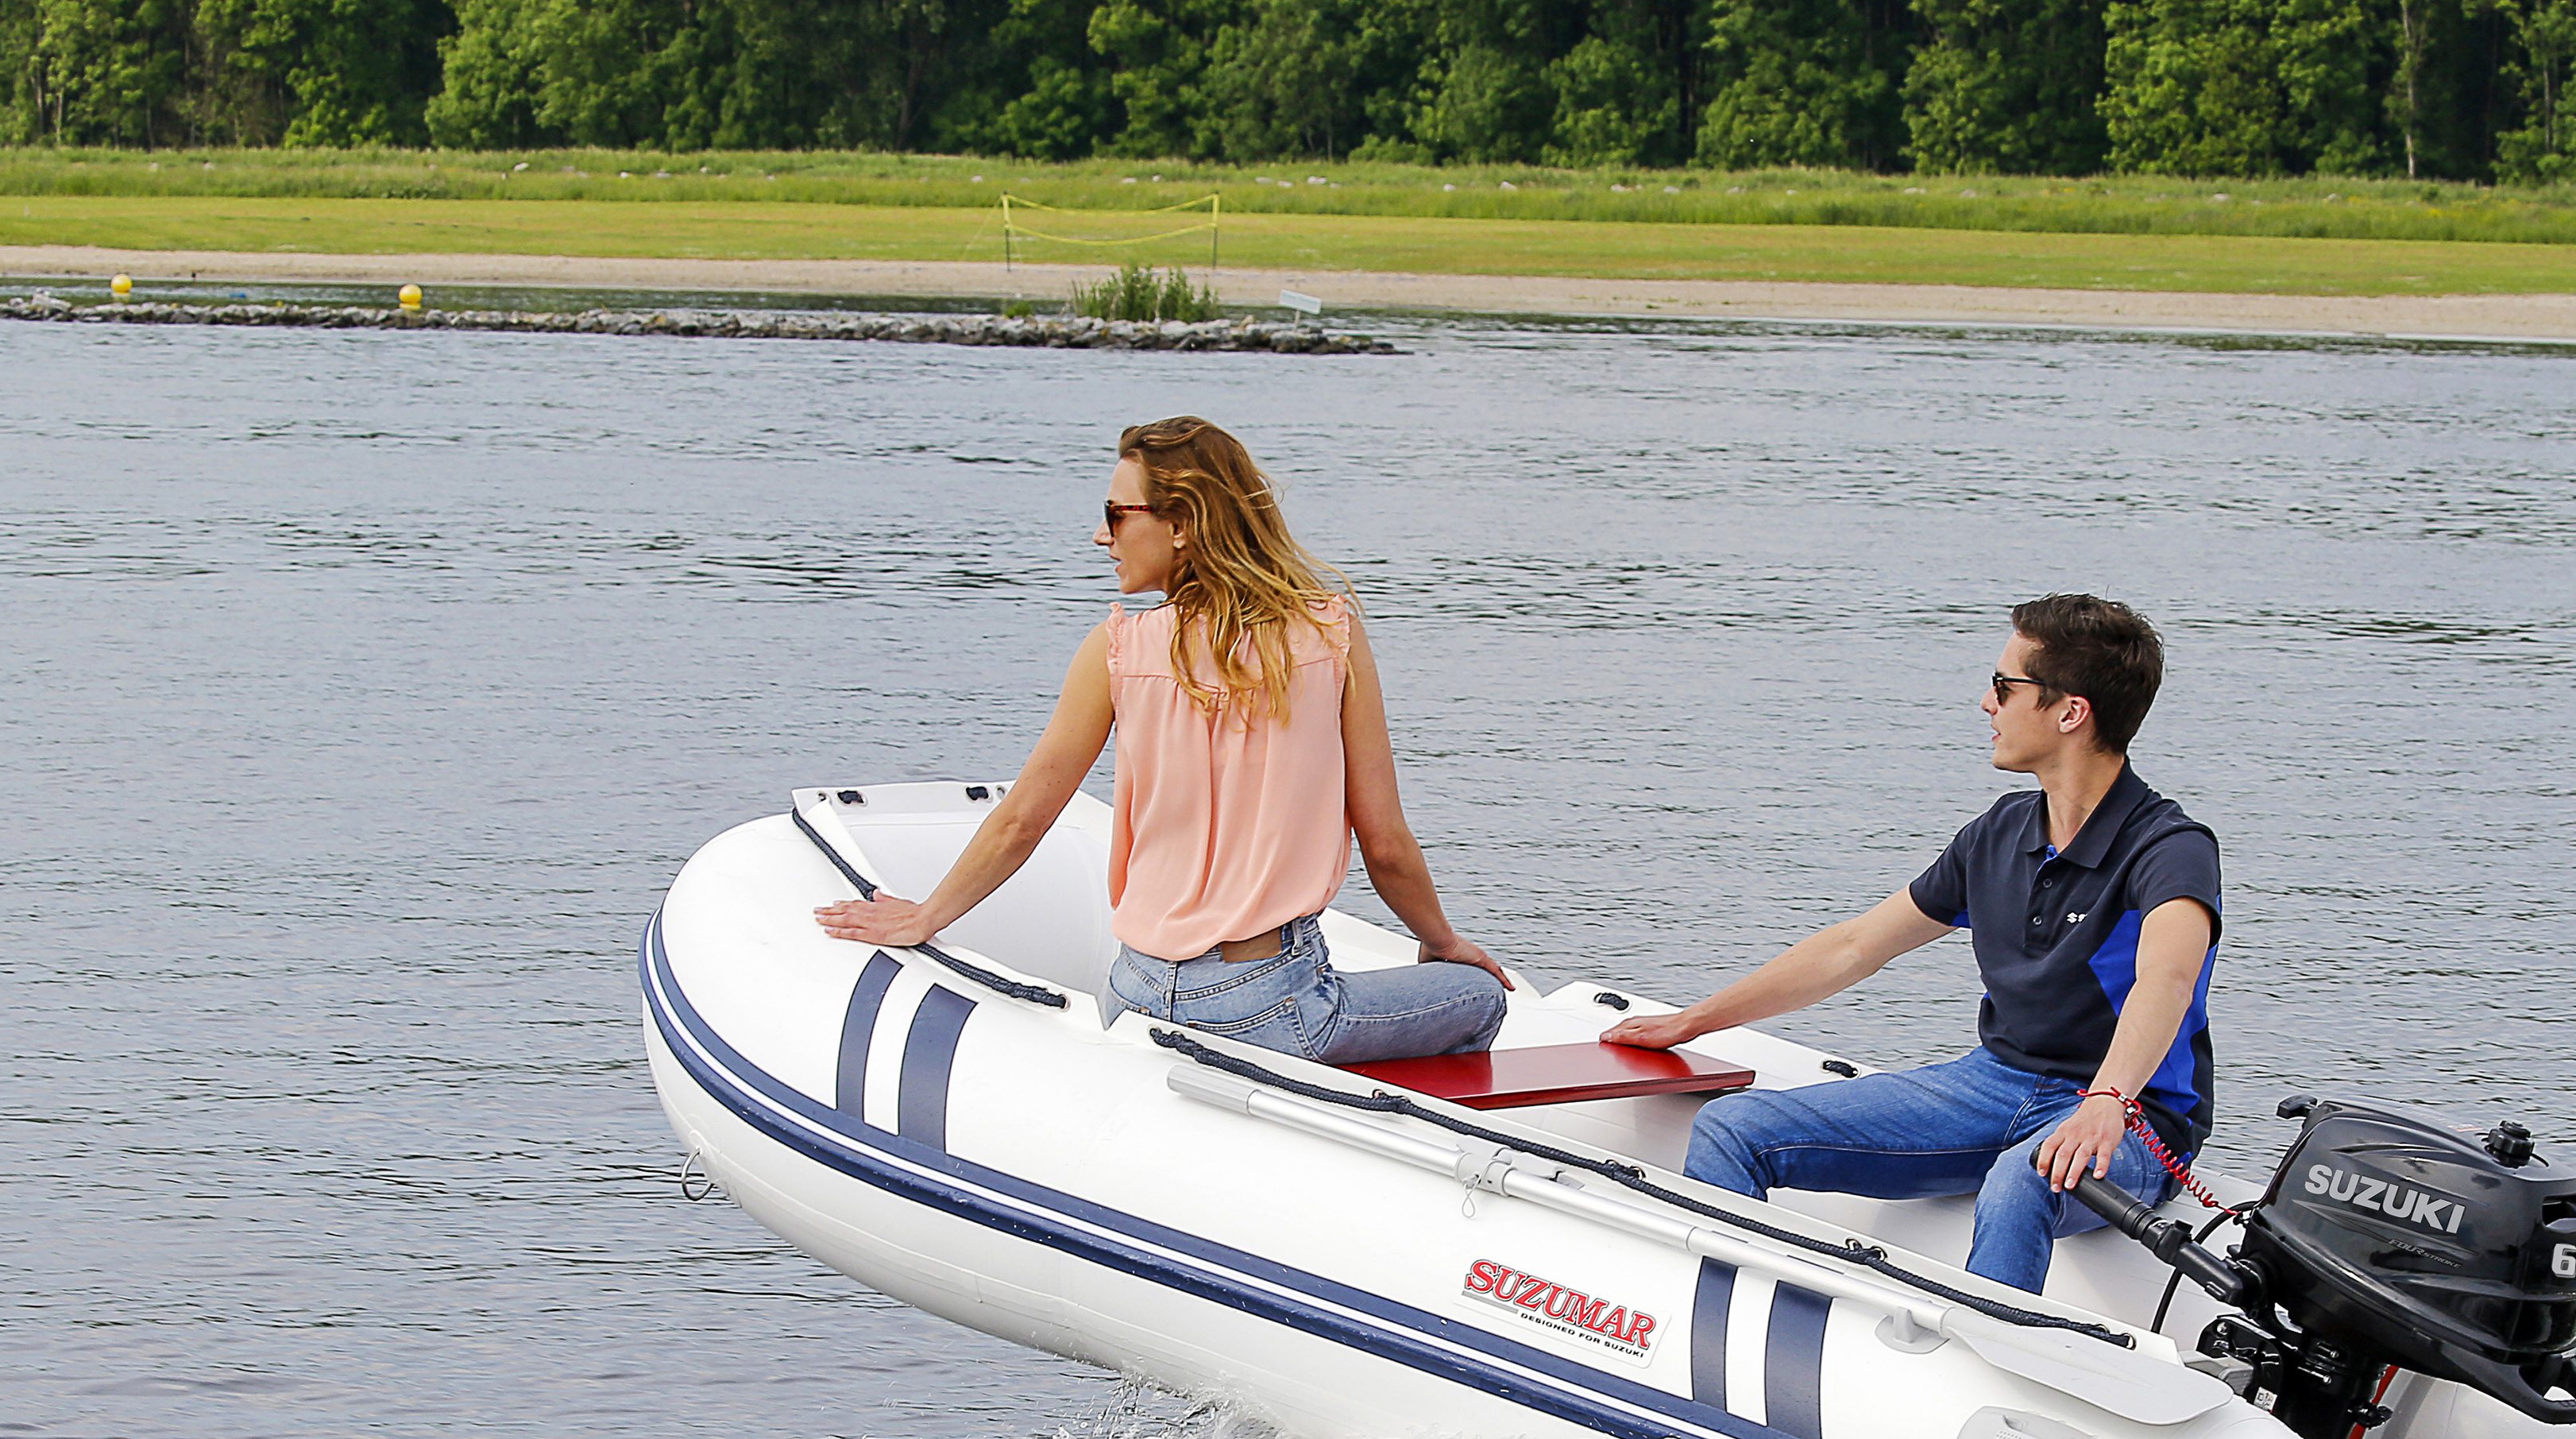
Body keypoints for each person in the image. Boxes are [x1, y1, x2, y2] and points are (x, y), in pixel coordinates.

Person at [818, 415, 1508, 1065]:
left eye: (1116, 515)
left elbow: (1023, 819)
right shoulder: (1331, 637)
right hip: (1271, 1003)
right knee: (1478, 996)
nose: (1102, 536)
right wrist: (1441, 941)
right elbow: (1384, 844)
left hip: (1136, 993)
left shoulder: (1116, 650)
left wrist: (928, 916)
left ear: (1181, 525)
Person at [1605, 594, 2217, 1293]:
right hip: (1994, 1083)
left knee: (2022, 1182)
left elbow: (2166, 981)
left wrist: (2106, 1100)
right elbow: (1856, 946)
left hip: (2135, 1114)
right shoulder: (1999, 833)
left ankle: (1990, 1352)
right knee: (1732, 1129)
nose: (1986, 704)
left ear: (2070, 712)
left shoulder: (2171, 849)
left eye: (2004, 686)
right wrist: (1694, 1021)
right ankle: (1732, 1316)